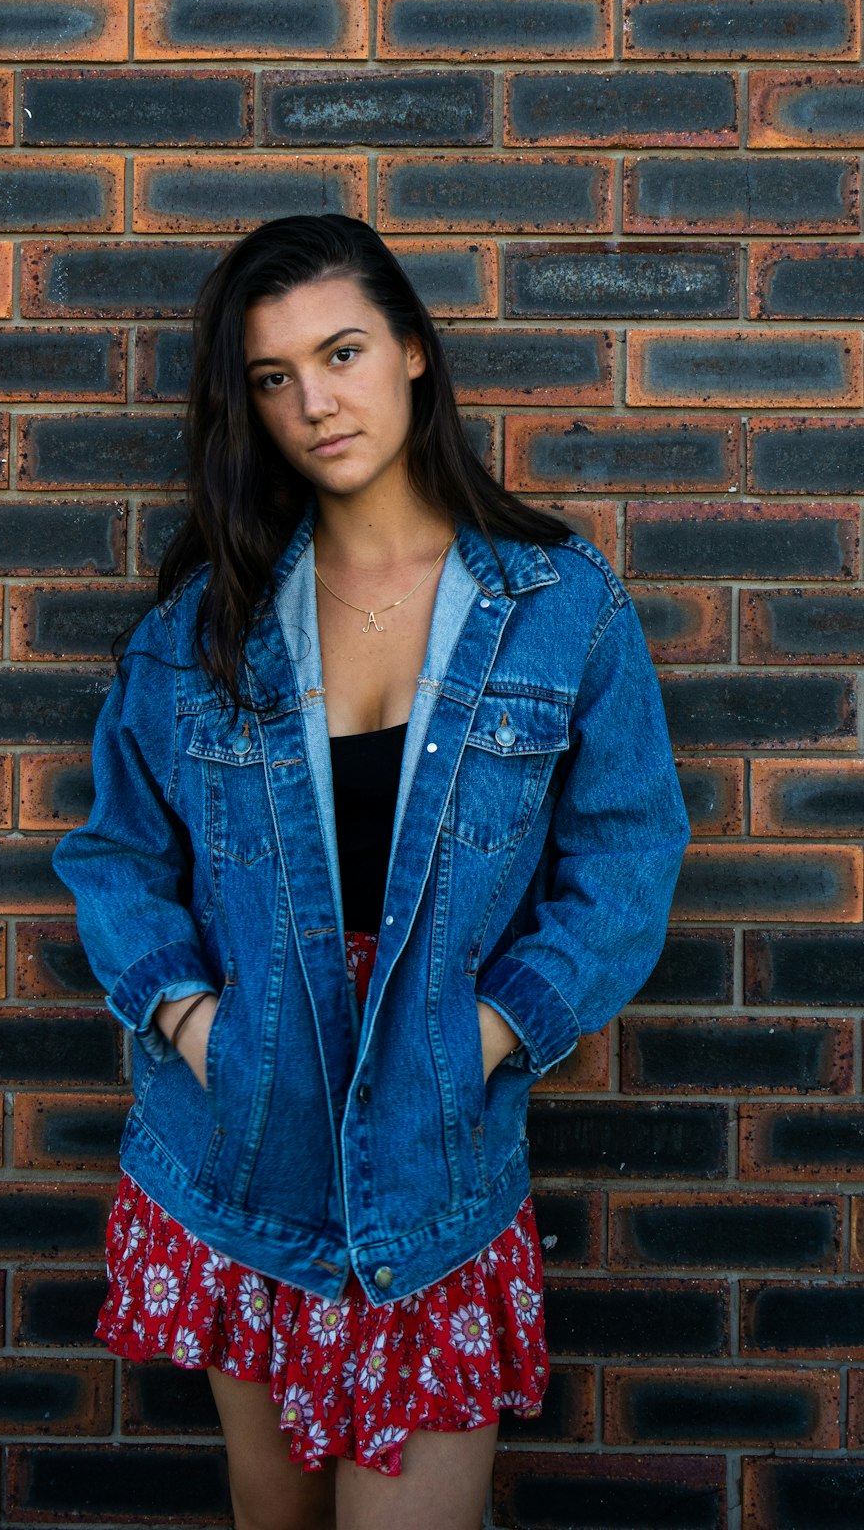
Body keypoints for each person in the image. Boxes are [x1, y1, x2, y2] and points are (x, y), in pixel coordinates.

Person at [52, 213, 691, 1530]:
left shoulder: (562, 606)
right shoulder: (200, 632)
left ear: (412, 350)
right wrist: (192, 1021)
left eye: (340, 352)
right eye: (274, 379)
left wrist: (497, 1028)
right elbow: (116, 853)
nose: (314, 402)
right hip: (239, 1156)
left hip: (438, 1163)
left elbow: (628, 848)